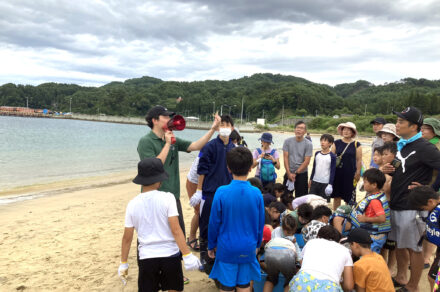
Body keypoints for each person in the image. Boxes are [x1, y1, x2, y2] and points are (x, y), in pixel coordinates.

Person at [118, 158, 201, 291]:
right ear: (158, 180)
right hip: (170, 255)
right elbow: (176, 230)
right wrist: (187, 255)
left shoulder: (132, 204)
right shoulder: (168, 198)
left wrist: (123, 263)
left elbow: (127, 238)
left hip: (147, 257)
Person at [137, 105, 220, 237]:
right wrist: (168, 144)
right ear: (155, 120)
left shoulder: (171, 139)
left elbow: (195, 146)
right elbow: (153, 167)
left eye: (170, 116)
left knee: (177, 234)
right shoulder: (146, 141)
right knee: (156, 234)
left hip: (173, 196)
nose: (169, 119)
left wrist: (213, 129)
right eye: (165, 117)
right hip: (154, 196)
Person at [381, 106, 440, 292]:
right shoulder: (403, 145)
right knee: (399, 243)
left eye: (400, 122)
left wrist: (431, 190)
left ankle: (413, 286)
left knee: (414, 247)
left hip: (413, 206)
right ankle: (401, 277)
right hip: (397, 203)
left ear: (413, 126)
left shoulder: (424, 147)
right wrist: (387, 170)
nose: (396, 125)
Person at [207, 147, 265, 292]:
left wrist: (211, 245)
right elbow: (260, 224)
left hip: (226, 247)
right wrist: (257, 244)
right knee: (244, 285)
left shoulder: (221, 192)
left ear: (228, 168)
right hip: (248, 246)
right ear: (250, 168)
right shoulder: (256, 193)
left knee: (226, 286)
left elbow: (214, 223)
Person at [189, 115, 235, 272]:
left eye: (227, 125)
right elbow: (202, 170)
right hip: (209, 193)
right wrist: (199, 191)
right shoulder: (209, 146)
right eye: (222, 124)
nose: (225, 127)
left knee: (224, 224)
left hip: (227, 194)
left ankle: (219, 255)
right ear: (217, 127)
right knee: (206, 225)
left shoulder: (233, 149)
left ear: (232, 128)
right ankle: (205, 260)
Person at [289, 225, 354, 292]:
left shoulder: (311, 242)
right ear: (338, 241)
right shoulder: (345, 251)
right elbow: (348, 287)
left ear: (318, 237)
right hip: (329, 288)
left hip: (302, 282)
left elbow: (302, 264)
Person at [350, 168, 391, 253]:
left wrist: (365, 219)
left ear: (374, 185)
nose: (363, 184)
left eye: (365, 182)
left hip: (375, 236)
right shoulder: (378, 195)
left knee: (369, 256)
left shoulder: (375, 201)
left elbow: (382, 218)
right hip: (373, 234)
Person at [408, 186, 440, 291]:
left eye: (422, 208)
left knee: (433, 279)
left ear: (430, 201)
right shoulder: (434, 206)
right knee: (432, 279)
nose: (423, 211)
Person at [421, 117, 440, 268]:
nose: (422, 130)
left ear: (434, 131)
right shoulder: (422, 144)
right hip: (423, 188)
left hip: (434, 190)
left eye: (425, 128)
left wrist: (434, 189)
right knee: (423, 220)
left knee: (432, 222)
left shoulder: (437, 145)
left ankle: (427, 258)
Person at [264, 215, 300, 292]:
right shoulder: (292, 239)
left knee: (270, 278)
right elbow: (298, 254)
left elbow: (273, 243)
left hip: (270, 254)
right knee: (290, 279)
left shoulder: (275, 231)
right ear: (282, 228)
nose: (290, 234)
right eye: (289, 232)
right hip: (286, 257)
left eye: (292, 232)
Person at [331, 122, 362, 209]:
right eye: (344, 129)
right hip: (337, 173)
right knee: (337, 196)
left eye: (349, 130)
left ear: (352, 132)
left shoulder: (357, 144)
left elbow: (359, 160)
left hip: (350, 174)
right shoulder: (336, 143)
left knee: (349, 198)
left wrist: (358, 172)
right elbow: (332, 158)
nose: (346, 131)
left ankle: (347, 218)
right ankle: (335, 216)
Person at [282, 121, 313, 197]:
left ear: (305, 131)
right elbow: (285, 158)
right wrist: (289, 173)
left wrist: (296, 173)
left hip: (302, 174)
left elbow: (307, 161)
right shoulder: (287, 141)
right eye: (297, 128)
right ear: (294, 130)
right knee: (285, 197)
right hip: (289, 172)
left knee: (301, 198)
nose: (299, 130)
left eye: (301, 128)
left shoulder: (308, 144)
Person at [309, 134, 337, 201]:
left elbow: (332, 171)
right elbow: (314, 167)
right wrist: (310, 179)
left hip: (325, 183)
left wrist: (330, 184)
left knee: (322, 203)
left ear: (330, 143)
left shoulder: (332, 156)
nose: (322, 142)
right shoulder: (317, 153)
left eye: (325, 141)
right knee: (312, 201)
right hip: (315, 181)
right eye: (321, 140)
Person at [185, 153, 203, 251]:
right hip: (194, 182)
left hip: (206, 182)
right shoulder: (208, 150)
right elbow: (201, 171)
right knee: (198, 211)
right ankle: (191, 237)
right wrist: (199, 191)